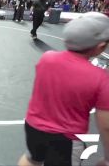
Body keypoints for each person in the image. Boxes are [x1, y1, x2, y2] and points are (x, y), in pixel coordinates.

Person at [18, 12, 109, 166]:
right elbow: (106, 126)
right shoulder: (100, 78)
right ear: (100, 46)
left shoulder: (47, 58)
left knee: (32, 158)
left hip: (33, 126)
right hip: (66, 138)